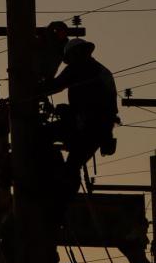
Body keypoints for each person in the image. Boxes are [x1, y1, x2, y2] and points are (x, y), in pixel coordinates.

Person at [41, 38, 119, 175]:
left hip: (84, 126)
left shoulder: (78, 67)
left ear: (75, 53)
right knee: (71, 167)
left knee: (40, 135)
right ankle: (62, 185)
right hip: (100, 131)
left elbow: (55, 86)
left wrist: (35, 89)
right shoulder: (101, 70)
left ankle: (45, 173)